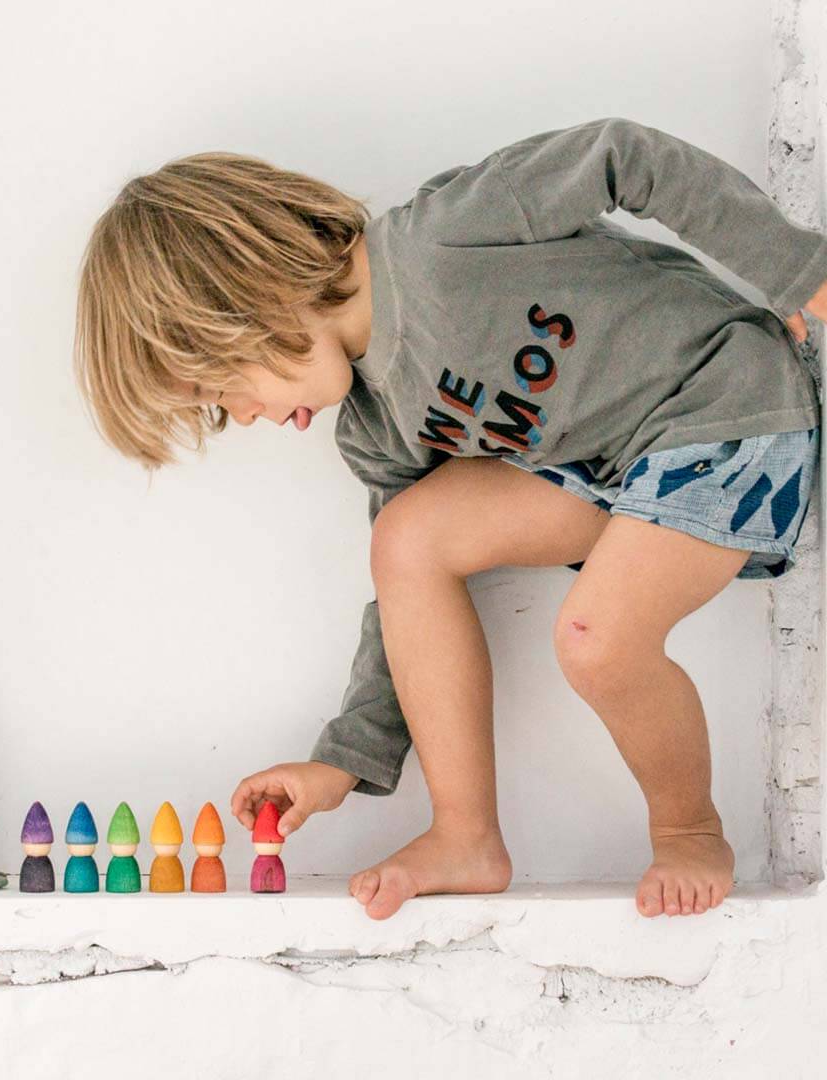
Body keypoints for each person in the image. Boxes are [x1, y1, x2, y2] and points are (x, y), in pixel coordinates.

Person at [73, 116, 827, 922]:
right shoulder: (375, 427)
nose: (245, 416)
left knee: (596, 639)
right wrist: (344, 760)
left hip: (727, 408)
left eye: (222, 390)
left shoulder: (445, 237)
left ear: (240, 304)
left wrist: (800, 274)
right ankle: (466, 835)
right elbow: (397, 608)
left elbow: (623, 155)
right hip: (619, 476)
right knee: (405, 539)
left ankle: (688, 827)